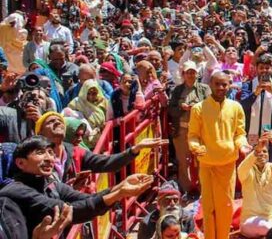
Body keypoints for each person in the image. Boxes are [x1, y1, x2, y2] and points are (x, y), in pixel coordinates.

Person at [0, 136, 152, 234]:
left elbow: (86, 199)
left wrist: (121, 187)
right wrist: (119, 193)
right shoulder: (14, 192)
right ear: (20, 163)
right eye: (40, 153)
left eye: (51, 152)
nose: (49, 158)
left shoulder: (50, 183)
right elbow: (68, 211)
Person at [187, 71, 251, 239]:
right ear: (210, 85)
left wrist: (242, 145)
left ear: (230, 85)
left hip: (227, 164)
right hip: (207, 164)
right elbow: (193, 135)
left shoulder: (236, 107)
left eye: (225, 84)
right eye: (217, 84)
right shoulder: (198, 108)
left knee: (226, 206)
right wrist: (195, 147)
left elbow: (240, 133)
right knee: (209, 207)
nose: (221, 88)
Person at [34, 111, 167, 185]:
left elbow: (107, 163)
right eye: (51, 121)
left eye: (59, 121)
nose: (57, 122)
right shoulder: (35, 159)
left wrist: (135, 149)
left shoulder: (75, 152)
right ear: (39, 133)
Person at [167, 61, 210, 195]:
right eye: (188, 72)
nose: (191, 75)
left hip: (200, 130)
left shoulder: (204, 89)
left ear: (197, 74)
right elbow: (171, 110)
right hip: (182, 129)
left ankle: (203, 188)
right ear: (183, 74)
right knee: (182, 161)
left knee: (202, 159)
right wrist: (181, 107)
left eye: (193, 72)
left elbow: (211, 106)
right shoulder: (177, 90)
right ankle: (187, 189)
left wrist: (198, 107)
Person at [238, 131, 272, 237]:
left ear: (269, 155)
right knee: (264, 226)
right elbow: (242, 167)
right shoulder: (246, 172)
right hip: (252, 221)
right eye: (258, 152)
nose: (261, 154)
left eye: (265, 151)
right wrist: (256, 150)